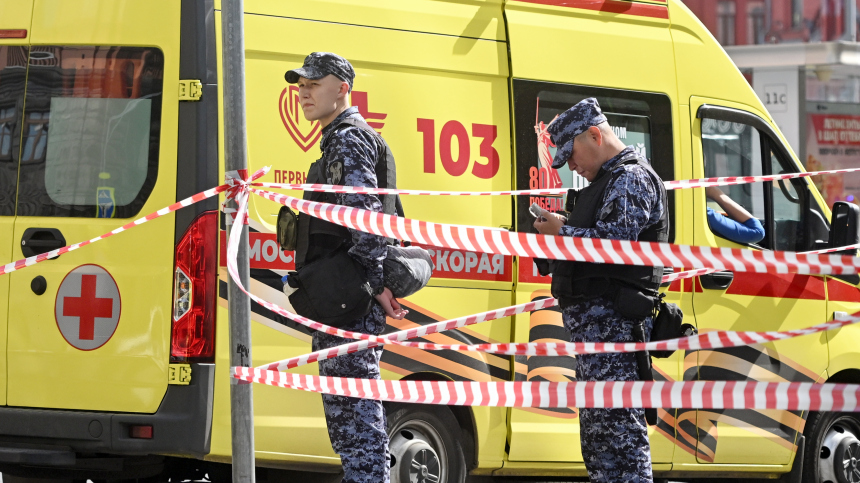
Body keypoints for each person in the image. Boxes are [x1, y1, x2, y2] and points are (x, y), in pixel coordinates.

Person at [285, 52, 406, 483]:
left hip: (351, 302)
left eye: (314, 84)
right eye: (300, 84)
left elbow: (365, 221)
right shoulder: (339, 138)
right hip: (345, 297)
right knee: (350, 418)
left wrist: (373, 284)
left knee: (356, 421)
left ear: (343, 89)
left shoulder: (349, 139)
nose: (303, 92)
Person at [533, 98, 667, 483]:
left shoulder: (631, 178)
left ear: (594, 135)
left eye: (571, 155)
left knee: (622, 446)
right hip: (596, 340)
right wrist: (562, 231)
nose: (571, 166)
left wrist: (564, 232)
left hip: (614, 335)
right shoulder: (607, 181)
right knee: (599, 447)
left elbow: (614, 245)